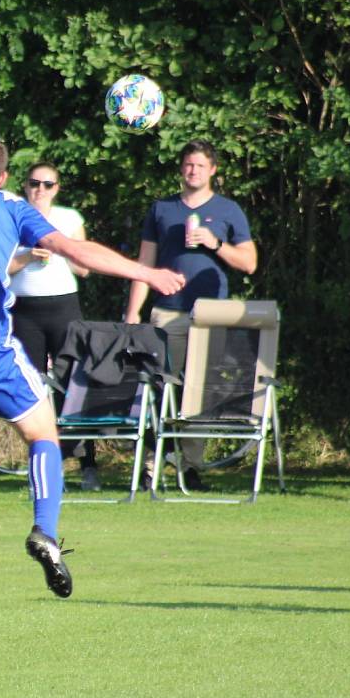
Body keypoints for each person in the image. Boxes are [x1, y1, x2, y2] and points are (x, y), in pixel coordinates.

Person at [0, 137, 185, 599]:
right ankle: (44, 532)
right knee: (43, 436)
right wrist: (146, 274)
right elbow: (73, 250)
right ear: (5, 176)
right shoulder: (12, 206)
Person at [124, 139, 258, 489]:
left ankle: (189, 467)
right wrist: (133, 311)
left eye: (200, 165)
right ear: (181, 168)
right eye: (188, 164)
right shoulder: (162, 210)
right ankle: (149, 466)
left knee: (199, 392)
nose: (193, 170)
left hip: (211, 313)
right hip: (167, 312)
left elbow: (250, 263)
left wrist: (215, 244)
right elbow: (145, 263)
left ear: (212, 170)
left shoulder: (228, 211)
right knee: (157, 388)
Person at [8, 162, 101, 492]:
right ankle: (44, 468)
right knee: (32, 392)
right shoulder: (12, 215)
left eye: (48, 184)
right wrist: (29, 257)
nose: (40, 190)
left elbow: (85, 268)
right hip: (24, 312)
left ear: (57, 188)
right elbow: (1, 269)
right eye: (35, 183)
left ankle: (88, 464)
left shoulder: (69, 218)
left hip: (63, 307)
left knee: (73, 386)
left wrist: (62, 249)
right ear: (26, 185)